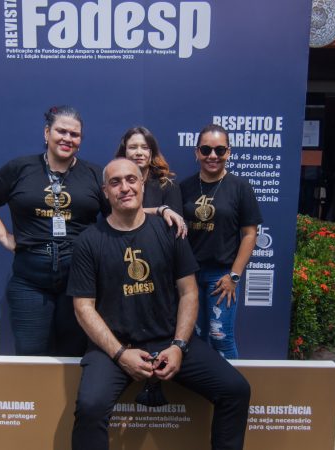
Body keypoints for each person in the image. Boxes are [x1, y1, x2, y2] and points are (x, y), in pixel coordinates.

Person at [67, 158, 250, 450]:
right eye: (115, 182)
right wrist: (120, 354)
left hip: (169, 340)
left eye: (131, 179)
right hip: (115, 346)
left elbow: (189, 293)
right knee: (90, 408)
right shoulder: (88, 241)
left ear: (142, 184)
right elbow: (83, 308)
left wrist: (178, 346)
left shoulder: (169, 231)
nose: (124, 187)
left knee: (236, 390)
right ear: (105, 191)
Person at [0, 105, 108, 356]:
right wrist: (3, 237)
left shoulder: (95, 174)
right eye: (61, 131)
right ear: (47, 133)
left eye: (74, 134)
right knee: (31, 356)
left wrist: (161, 210)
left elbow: (120, 214)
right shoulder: (21, 168)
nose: (67, 138)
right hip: (29, 281)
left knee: (75, 354)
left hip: (79, 280)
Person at [180, 124, 262, 359]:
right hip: (189, 276)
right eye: (206, 150)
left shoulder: (240, 187)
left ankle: (231, 383)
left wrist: (234, 276)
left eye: (220, 150)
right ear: (197, 152)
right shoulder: (184, 187)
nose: (212, 156)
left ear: (229, 152)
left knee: (221, 337)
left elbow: (250, 234)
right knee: (193, 338)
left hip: (221, 276)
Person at [114, 126, 187, 237]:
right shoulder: (115, 185)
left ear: (151, 153)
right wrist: (159, 210)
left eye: (145, 147)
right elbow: (114, 216)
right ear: (125, 152)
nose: (139, 152)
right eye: (133, 147)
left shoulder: (167, 185)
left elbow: (177, 226)